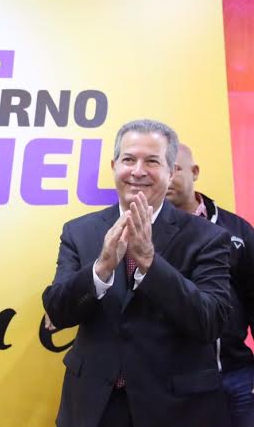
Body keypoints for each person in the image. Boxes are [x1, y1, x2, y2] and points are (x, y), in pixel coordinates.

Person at [42, 119, 231, 427]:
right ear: (114, 166)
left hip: (176, 408)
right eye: (129, 159)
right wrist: (101, 268)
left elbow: (211, 321)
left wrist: (150, 263)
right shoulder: (79, 231)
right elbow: (58, 311)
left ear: (171, 172)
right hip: (93, 406)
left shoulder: (208, 237)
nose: (138, 171)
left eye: (152, 161)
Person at [167, 143, 254, 427]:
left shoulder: (236, 229)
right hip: (176, 381)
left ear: (194, 172)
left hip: (236, 373)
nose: (166, 178)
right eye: (161, 169)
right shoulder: (145, 231)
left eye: (175, 169)